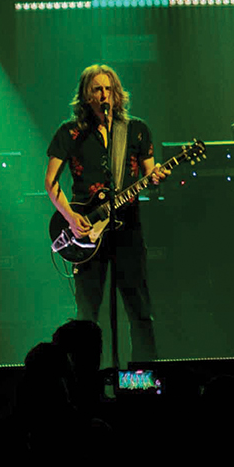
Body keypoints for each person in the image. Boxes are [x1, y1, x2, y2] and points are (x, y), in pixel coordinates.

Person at [45, 64, 160, 362]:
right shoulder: (70, 133)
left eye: (108, 89)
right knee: (86, 316)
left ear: (117, 93)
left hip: (127, 230)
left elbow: (150, 175)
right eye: (97, 89)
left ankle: (145, 381)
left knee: (139, 309)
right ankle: (84, 382)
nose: (104, 95)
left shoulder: (136, 130)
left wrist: (157, 177)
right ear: (86, 95)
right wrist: (71, 217)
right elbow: (51, 181)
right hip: (85, 233)